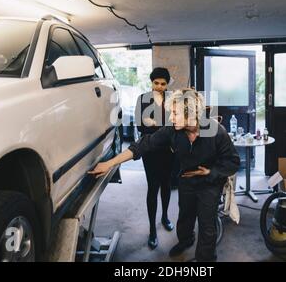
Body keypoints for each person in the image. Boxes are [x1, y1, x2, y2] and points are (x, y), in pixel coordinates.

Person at [89, 89, 240, 262]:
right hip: (186, 179)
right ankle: (185, 240)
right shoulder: (172, 131)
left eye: (175, 113)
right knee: (185, 217)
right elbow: (143, 145)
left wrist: (211, 172)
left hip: (210, 183)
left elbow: (233, 161)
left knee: (207, 226)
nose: (170, 118)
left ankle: (205, 260)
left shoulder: (215, 131)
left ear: (190, 113)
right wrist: (110, 163)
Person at [134, 67, 174, 249]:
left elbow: (175, 124)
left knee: (166, 185)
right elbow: (140, 125)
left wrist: (153, 122)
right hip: (150, 149)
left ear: (167, 84)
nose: (159, 86)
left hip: (169, 150)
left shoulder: (173, 99)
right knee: (153, 187)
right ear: (151, 82)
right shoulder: (143, 99)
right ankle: (152, 229)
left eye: (163, 83)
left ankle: (165, 216)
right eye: (156, 83)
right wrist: (161, 124)